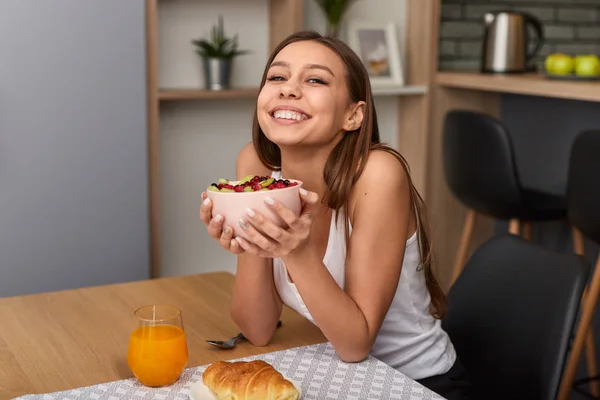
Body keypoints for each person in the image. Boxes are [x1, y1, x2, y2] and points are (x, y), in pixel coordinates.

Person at [200, 30, 472, 399]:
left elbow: (356, 344)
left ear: (353, 114)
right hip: (333, 372)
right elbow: (258, 329)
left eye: (315, 79)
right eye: (277, 77)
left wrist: (295, 252)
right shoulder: (255, 165)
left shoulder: (377, 174)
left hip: (414, 383)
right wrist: (251, 242)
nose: (288, 89)